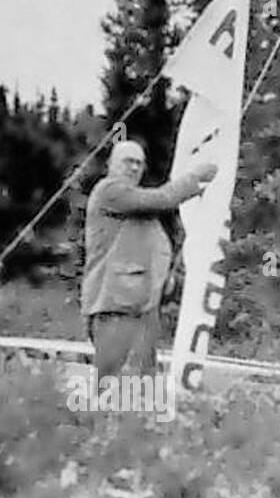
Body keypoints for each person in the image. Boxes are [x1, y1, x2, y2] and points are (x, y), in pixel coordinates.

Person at [81, 140, 218, 378]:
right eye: (128, 162)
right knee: (114, 388)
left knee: (142, 387)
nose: (134, 168)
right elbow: (164, 198)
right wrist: (196, 177)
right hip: (114, 306)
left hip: (139, 306)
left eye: (139, 163)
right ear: (111, 165)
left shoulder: (134, 203)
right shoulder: (110, 191)